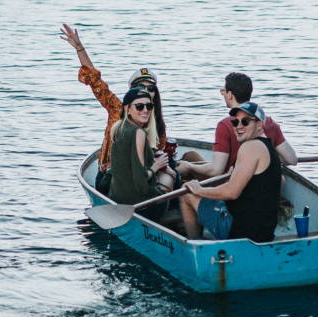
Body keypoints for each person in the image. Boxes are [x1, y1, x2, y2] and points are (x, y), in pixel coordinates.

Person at [60, 24, 170, 170]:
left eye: (150, 88)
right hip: (111, 173)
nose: (146, 91)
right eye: (140, 87)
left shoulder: (156, 120)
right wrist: (80, 49)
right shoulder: (117, 109)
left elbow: (157, 152)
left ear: (155, 93)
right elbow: (95, 80)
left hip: (143, 174)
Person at [182, 102, 282, 242]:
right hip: (264, 231)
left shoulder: (250, 147)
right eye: (235, 122)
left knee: (186, 194)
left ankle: (195, 245)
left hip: (240, 232)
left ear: (259, 124)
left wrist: (198, 190)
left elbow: (231, 192)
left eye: (245, 122)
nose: (239, 126)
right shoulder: (268, 146)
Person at [107, 85, 175, 208]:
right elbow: (141, 183)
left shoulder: (118, 128)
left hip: (117, 197)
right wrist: (156, 166)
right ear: (127, 109)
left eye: (149, 106)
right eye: (139, 106)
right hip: (139, 204)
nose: (145, 110)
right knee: (170, 178)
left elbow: (129, 168)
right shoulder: (138, 133)